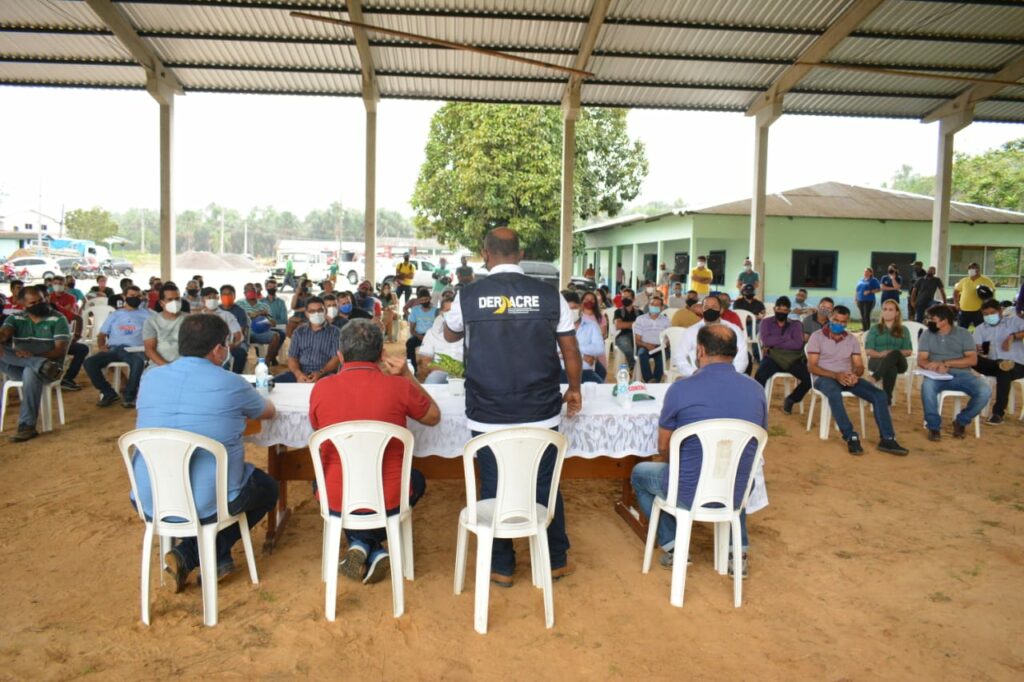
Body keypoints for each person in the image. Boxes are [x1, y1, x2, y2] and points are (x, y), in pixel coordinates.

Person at [443, 226, 581, 586]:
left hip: (488, 411)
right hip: (542, 409)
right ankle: (555, 560)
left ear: (485, 255)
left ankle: (502, 565)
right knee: (545, 482)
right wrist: (575, 389)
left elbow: (450, 333)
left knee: (493, 483)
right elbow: (570, 349)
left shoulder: (469, 294)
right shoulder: (551, 295)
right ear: (519, 254)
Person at [134, 314, 279, 591]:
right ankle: (194, 553)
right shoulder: (230, 382)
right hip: (207, 502)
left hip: (150, 495)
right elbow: (268, 412)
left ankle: (203, 556)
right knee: (267, 489)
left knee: (221, 486)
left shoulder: (150, 378)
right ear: (217, 349)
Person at [311, 320, 441, 583]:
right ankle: (371, 546)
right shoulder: (400, 387)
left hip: (337, 495)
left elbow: (318, 427)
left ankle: (361, 545)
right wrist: (407, 375)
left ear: (339, 355)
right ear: (382, 354)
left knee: (318, 480)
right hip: (391, 495)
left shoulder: (321, 389)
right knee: (417, 479)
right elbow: (433, 416)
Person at [631, 325, 765, 574]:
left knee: (640, 474)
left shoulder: (681, 389)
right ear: (735, 352)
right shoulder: (756, 390)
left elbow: (664, 446)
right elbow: (754, 442)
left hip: (688, 489)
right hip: (737, 489)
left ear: (700, 350)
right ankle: (738, 554)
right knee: (737, 471)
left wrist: (685, 468)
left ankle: (674, 546)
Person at [806, 305, 908, 456]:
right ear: (830, 318)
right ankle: (850, 436)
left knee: (880, 395)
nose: (839, 324)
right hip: (825, 377)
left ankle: (887, 438)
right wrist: (836, 375)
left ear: (847, 323)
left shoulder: (851, 340)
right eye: (836, 320)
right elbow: (812, 367)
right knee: (834, 394)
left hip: (847, 378)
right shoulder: (817, 336)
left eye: (843, 322)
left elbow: (859, 366)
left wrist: (855, 375)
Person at [0, 286, 67, 442]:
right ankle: (37, 363)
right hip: (24, 366)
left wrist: (33, 356)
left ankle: (27, 426)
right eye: (33, 303)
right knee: (29, 366)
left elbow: (59, 351)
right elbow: (4, 334)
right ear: (23, 304)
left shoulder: (58, 319)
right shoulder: (15, 318)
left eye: (41, 300)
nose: (39, 304)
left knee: (31, 372)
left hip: (50, 370)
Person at [918, 304, 991, 440]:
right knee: (927, 386)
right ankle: (933, 427)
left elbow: (972, 360)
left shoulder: (963, 334)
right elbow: (921, 359)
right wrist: (931, 366)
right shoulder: (927, 334)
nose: (928, 322)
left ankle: (961, 421)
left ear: (944, 320)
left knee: (985, 391)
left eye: (931, 319)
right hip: (937, 375)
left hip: (962, 375)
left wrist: (946, 363)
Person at [84, 285, 151, 409]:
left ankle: (130, 396)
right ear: (124, 297)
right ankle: (108, 392)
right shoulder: (115, 314)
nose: (135, 298)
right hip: (114, 349)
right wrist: (101, 346)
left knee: (138, 362)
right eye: (131, 296)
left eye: (138, 296)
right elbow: (102, 334)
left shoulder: (147, 314)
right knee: (90, 362)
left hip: (135, 350)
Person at [754, 296, 811, 414]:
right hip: (772, 358)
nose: (781, 312)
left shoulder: (796, 324)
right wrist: (787, 338)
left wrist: (776, 342)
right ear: (774, 309)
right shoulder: (766, 322)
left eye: (785, 310)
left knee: (809, 379)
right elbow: (766, 341)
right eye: (779, 309)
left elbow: (798, 344)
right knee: (759, 376)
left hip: (792, 358)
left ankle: (791, 399)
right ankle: (757, 404)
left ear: (789, 311)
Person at [972, 298, 1024, 425]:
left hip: (1017, 365)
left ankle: (998, 413)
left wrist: (1013, 336)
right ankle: (1000, 364)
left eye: (992, 313)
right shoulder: (980, 329)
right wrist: (978, 350)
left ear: (1000, 311)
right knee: (972, 359)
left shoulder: (1013, 322)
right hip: (991, 364)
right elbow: (977, 350)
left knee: (1004, 370)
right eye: (986, 314)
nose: (989, 316)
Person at [673, 294, 748, 378]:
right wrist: (693, 372)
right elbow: (679, 356)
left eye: (714, 307)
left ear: (721, 310)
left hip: (728, 376)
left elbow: (742, 357)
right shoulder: (691, 331)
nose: (710, 309)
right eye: (706, 307)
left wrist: (732, 374)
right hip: (699, 377)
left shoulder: (733, 330)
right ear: (702, 310)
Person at [275, 297, 340, 383]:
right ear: (306, 313)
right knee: (274, 383)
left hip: (325, 374)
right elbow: (292, 358)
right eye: (312, 311)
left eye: (320, 310)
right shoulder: (299, 332)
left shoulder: (335, 332)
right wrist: (299, 374)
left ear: (326, 311)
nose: (316, 314)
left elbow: (336, 359)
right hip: (300, 373)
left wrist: (320, 373)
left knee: (334, 385)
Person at [864, 299, 913, 405]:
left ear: (897, 313)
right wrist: (880, 354)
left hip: (900, 363)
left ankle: (875, 377)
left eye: (891, 310)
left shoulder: (903, 330)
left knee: (894, 353)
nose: (887, 312)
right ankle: (887, 402)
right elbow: (868, 350)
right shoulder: (875, 329)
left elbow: (908, 351)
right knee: (891, 367)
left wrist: (891, 353)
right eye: (885, 309)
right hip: (877, 361)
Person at [561, 290, 606, 383]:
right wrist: (582, 356)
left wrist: (570, 349)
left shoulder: (592, 325)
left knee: (600, 388)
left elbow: (599, 349)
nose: (571, 312)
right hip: (562, 372)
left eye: (574, 308)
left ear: (580, 307)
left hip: (585, 372)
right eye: (568, 309)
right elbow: (554, 350)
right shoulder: (557, 326)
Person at [417, 297, 463, 383]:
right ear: (441, 312)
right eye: (447, 310)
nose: (451, 314)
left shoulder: (471, 331)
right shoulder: (431, 333)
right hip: (440, 372)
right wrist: (450, 370)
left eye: (454, 312)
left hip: (465, 372)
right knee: (433, 379)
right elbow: (425, 363)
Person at [238, 282, 282, 367]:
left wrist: (271, 322)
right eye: (248, 290)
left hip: (260, 331)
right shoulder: (240, 304)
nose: (251, 292)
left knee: (276, 336)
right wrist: (258, 313)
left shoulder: (264, 306)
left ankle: (267, 362)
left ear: (256, 291)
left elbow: (272, 322)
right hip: (245, 331)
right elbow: (244, 316)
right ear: (244, 293)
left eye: (253, 290)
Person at [143, 282, 186, 367]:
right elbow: (150, 350)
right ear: (161, 303)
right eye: (170, 299)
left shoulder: (190, 320)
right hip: (159, 366)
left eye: (177, 299)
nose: (175, 302)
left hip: (185, 366)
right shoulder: (151, 322)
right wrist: (168, 368)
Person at [198, 286, 243, 367]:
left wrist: (231, 346)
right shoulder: (198, 317)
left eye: (214, 297)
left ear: (218, 298)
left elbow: (238, 335)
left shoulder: (227, 315)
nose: (212, 300)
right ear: (202, 300)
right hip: (202, 351)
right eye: (209, 297)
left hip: (221, 351)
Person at [633, 293, 670, 382]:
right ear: (648, 305)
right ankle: (649, 380)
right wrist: (646, 345)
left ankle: (655, 381)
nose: (654, 306)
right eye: (652, 304)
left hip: (660, 347)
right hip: (645, 346)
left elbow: (668, 338)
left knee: (662, 357)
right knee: (642, 354)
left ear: (662, 308)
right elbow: (637, 340)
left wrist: (666, 344)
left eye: (657, 305)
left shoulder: (666, 320)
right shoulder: (640, 319)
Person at [219, 285, 251, 374]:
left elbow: (240, 333)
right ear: (220, 296)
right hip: (220, 342)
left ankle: (237, 375)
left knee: (241, 353)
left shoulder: (240, 311)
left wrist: (232, 344)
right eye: (224, 294)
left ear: (234, 296)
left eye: (229, 294)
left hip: (237, 341)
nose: (226, 296)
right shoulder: (216, 310)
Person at [953, 262, 995, 329]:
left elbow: (991, 293)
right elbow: (956, 291)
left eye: (972, 268)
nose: (970, 270)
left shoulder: (986, 280)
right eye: (969, 268)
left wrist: (987, 307)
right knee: (961, 330)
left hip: (979, 311)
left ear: (978, 270)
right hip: (964, 310)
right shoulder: (964, 280)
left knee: (981, 330)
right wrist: (956, 303)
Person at [405, 286, 436, 365]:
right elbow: (412, 330)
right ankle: (412, 367)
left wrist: (428, 337)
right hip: (419, 335)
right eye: (421, 300)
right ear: (418, 300)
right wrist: (419, 336)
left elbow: (438, 329)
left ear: (430, 298)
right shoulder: (415, 310)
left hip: (432, 336)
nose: (424, 302)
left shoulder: (436, 311)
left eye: (426, 299)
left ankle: (436, 368)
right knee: (409, 343)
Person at [613, 287, 639, 371]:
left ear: (633, 299)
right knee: (627, 348)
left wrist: (627, 324)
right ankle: (633, 367)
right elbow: (618, 325)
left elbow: (643, 326)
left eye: (627, 297)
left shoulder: (640, 312)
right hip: (623, 336)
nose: (624, 299)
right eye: (623, 297)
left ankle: (639, 371)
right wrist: (634, 324)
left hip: (637, 336)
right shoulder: (618, 311)